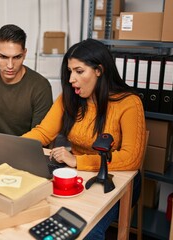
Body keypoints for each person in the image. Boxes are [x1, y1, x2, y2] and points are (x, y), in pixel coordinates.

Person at [22, 38, 146, 239]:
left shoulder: (129, 103)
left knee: (86, 232)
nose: (71, 79)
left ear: (99, 70)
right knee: (37, 214)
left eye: (79, 71)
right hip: (78, 173)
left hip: (118, 179)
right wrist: (13, 145)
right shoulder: (69, 97)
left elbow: (131, 158)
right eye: (70, 71)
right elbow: (44, 132)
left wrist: (77, 160)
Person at [0, 24, 53, 152]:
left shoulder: (41, 86)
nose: (10, 65)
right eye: (3, 57)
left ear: (24, 54)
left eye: (17, 57)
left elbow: (40, 138)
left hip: (26, 151)